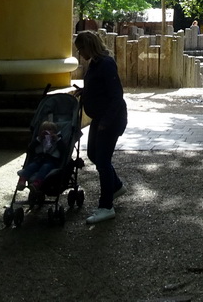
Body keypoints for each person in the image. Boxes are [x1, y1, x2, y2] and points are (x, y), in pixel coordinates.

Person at [74, 30, 128, 225]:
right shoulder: (96, 63)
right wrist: (85, 91)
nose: (80, 53)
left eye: (81, 49)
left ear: (90, 46)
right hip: (101, 116)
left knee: (103, 160)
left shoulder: (105, 64)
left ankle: (106, 207)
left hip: (110, 118)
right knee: (94, 155)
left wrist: (106, 122)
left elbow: (116, 95)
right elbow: (100, 88)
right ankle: (116, 187)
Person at [16, 121, 63, 190]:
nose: (46, 131)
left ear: (54, 131)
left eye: (49, 129)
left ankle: (37, 182)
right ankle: (22, 181)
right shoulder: (39, 139)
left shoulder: (58, 139)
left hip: (51, 160)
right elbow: (30, 149)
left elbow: (63, 150)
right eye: (44, 130)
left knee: (45, 167)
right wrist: (39, 139)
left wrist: (57, 140)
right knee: (31, 166)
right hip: (39, 159)